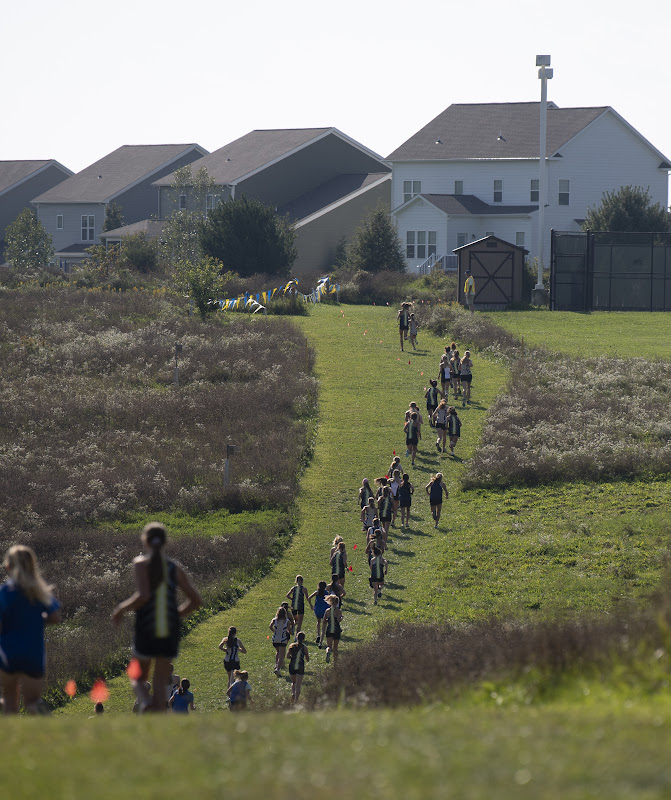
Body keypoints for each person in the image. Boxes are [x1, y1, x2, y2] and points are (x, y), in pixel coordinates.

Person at [111, 522, 202, 713]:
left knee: (137, 677)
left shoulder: (141, 564)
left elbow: (143, 595)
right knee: (160, 681)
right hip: (169, 629)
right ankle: (158, 718)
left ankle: (144, 704)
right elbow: (195, 600)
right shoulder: (174, 567)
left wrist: (121, 608)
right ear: (165, 542)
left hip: (147, 627)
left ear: (145, 541)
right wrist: (176, 615)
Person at [0, 545, 61, 714]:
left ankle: (11, 737)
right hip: (33, 651)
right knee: (32, 701)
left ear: (8, 566)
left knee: (10, 701)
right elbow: (55, 617)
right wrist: (35, 619)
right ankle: (43, 725)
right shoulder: (38, 590)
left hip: (8, 652)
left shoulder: (4, 591)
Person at [287, 632, 310, 703]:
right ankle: (296, 699)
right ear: (303, 639)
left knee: (293, 682)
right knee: (298, 684)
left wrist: (292, 657)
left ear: (296, 637)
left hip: (292, 666)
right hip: (300, 667)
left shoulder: (292, 646)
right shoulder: (304, 648)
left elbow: (287, 656)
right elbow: (307, 659)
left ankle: (293, 693)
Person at [269, 606, 291, 675]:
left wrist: (274, 631)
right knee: (282, 655)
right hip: (282, 639)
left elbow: (270, 626)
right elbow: (289, 631)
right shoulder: (286, 621)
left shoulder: (274, 620)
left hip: (275, 639)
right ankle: (278, 669)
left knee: (278, 652)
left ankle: (276, 664)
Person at [322, 595, 342, 665]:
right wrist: (341, 618)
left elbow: (324, 621)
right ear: (337, 603)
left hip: (329, 630)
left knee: (329, 646)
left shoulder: (327, 611)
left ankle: (328, 652)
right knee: (335, 647)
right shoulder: (338, 611)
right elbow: (339, 620)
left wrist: (328, 620)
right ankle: (335, 662)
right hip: (336, 630)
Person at [308, 581, 329, 646]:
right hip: (324, 610)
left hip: (317, 609)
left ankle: (318, 634)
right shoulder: (327, 593)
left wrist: (311, 605)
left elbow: (309, 598)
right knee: (324, 624)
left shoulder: (317, 592)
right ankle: (322, 637)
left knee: (318, 621)